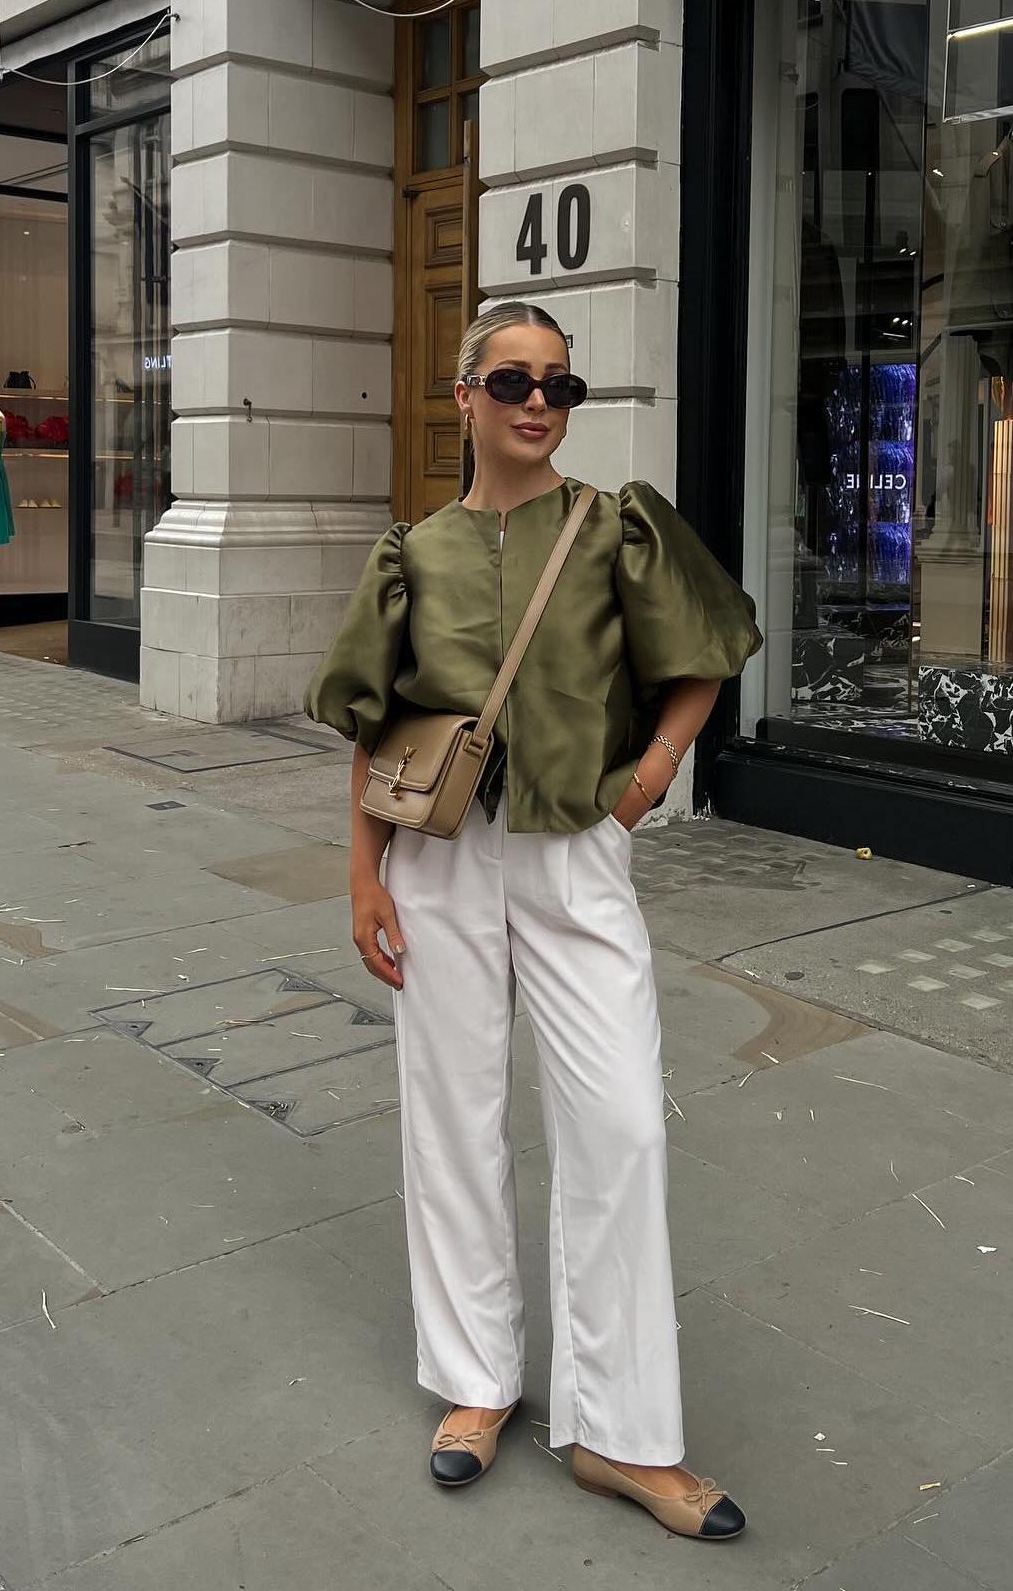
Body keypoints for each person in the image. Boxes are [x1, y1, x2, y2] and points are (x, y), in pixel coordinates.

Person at [305, 302, 762, 1540]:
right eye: (511, 378)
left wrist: (653, 769)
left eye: (558, 383)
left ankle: (620, 1434)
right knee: (449, 1115)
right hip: (436, 861)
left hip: (575, 856)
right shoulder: (414, 551)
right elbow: (369, 725)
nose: (536, 401)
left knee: (618, 1123)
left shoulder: (612, 526)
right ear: (462, 394)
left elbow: (707, 648)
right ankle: (475, 1382)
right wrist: (361, 877)